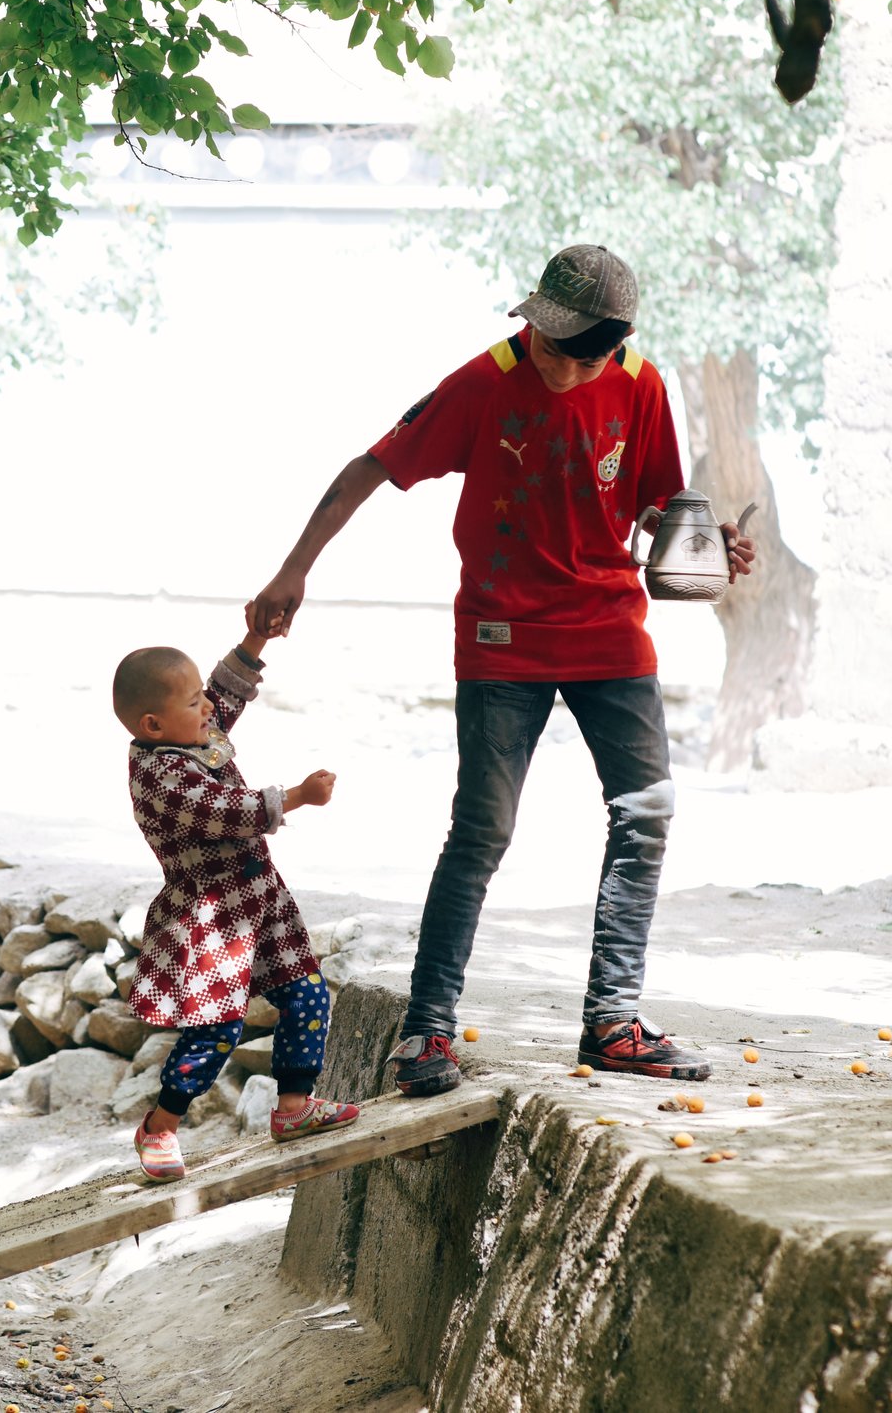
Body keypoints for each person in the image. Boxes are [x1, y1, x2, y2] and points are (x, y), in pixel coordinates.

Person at [250, 244, 755, 1097]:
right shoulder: (485, 381)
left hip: (608, 632)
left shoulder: (642, 385)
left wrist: (709, 543)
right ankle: (426, 1030)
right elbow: (371, 467)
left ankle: (613, 1022)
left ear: (613, 348)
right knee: (481, 831)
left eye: (578, 358)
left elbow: (657, 502)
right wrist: (292, 570)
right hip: (501, 638)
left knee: (647, 812)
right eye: (548, 346)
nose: (558, 366)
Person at [113, 629, 359, 1180]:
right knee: (217, 1027)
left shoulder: (192, 730)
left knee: (306, 993)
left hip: (261, 900)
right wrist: (298, 797)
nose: (207, 707)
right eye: (192, 701)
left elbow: (225, 694)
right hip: (210, 919)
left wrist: (255, 638)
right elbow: (226, 809)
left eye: (202, 696)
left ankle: (294, 1107)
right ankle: (160, 1126)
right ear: (153, 725)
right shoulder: (160, 776)